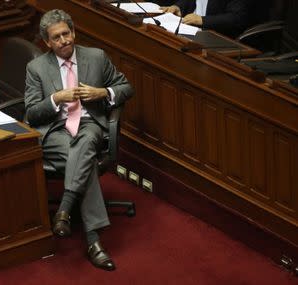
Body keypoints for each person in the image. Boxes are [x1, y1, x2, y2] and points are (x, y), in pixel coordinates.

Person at [24, 9, 134, 271]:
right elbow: (31, 113)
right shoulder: (36, 68)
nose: (64, 40)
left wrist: (102, 92)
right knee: (83, 159)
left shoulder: (96, 57)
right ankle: (94, 241)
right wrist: (56, 99)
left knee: (85, 143)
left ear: (73, 32)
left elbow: (126, 88)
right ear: (47, 43)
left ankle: (64, 208)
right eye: (57, 37)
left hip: (89, 124)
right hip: (56, 130)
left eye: (67, 33)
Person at [161, 0, 253, 38]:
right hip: (188, 29)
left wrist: (202, 20)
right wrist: (178, 7)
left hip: (214, 36)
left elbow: (237, 18)